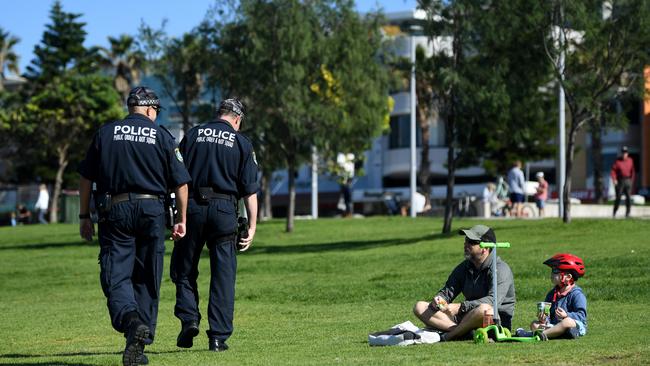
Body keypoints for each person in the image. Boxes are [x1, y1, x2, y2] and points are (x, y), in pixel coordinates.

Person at [78, 86, 191, 366]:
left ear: (131, 107)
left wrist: (83, 216)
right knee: (147, 277)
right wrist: (181, 219)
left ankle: (131, 322)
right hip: (152, 210)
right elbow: (181, 183)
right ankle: (139, 343)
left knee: (116, 274)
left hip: (114, 209)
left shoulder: (106, 133)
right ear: (151, 110)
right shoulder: (163, 136)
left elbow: (85, 178)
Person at [170, 98, 258, 352]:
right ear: (237, 119)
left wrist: (179, 216)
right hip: (224, 209)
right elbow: (249, 191)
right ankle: (218, 337)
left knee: (184, 268)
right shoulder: (241, 143)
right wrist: (252, 225)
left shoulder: (194, 134)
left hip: (193, 206)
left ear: (219, 114)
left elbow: (178, 178)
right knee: (223, 275)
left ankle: (188, 319)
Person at [413, 225, 516, 341]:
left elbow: (492, 301)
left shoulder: (501, 269)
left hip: (494, 320)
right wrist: (439, 299)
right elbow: (448, 291)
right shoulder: (464, 267)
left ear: (485, 248)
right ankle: (463, 332)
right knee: (420, 307)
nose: (466, 244)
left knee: (484, 309)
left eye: (471, 242)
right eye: (466, 240)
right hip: (467, 318)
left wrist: (460, 307)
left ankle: (449, 336)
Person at [516, 253, 587, 341]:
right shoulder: (552, 293)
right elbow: (549, 316)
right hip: (555, 325)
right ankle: (556, 334)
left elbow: (581, 316)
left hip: (574, 325)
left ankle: (537, 335)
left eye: (556, 271)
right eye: (552, 270)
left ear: (568, 277)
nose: (552, 274)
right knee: (534, 324)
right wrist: (544, 319)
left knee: (567, 322)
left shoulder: (577, 294)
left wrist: (566, 315)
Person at [610, 146, 635, 218]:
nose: (624, 154)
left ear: (627, 153)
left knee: (628, 198)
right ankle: (614, 212)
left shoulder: (630, 160)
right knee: (618, 197)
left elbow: (633, 171)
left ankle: (628, 213)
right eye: (623, 152)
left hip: (628, 181)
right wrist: (614, 179)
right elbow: (613, 171)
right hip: (620, 181)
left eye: (625, 152)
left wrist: (631, 181)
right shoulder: (618, 161)